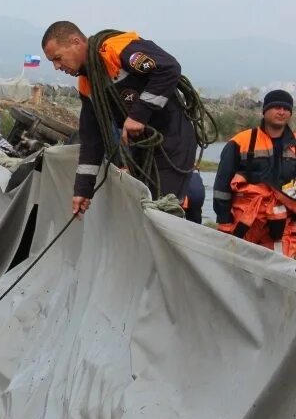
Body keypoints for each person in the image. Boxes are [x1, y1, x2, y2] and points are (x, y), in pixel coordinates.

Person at [41, 21, 198, 218]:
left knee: (161, 212)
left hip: (172, 142)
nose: (56, 66)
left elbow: (168, 68)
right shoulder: (87, 84)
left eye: (57, 58)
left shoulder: (116, 48)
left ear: (76, 42)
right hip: (139, 150)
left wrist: (138, 116)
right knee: (141, 212)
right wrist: (83, 190)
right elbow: (92, 141)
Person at [213, 90, 296, 255]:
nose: (281, 112)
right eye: (276, 107)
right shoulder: (241, 141)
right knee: (240, 269)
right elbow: (221, 186)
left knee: (278, 272)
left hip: (282, 224)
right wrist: (224, 221)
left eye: (286, 109)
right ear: (265, 110)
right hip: (244, 221)